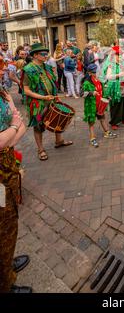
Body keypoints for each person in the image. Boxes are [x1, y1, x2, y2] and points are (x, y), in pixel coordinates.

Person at [0, 84, 32, 293]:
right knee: (3, 225)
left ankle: (6, 265)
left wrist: (13, 128)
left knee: (8, 221)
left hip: (7, 164)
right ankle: (5, 285)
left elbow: (19, 123)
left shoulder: (1, 92)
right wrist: (14, 127)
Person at [22, 43, 73, 161]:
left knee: (56, 118)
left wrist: (55, 96)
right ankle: (41, 150)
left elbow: (52, 83)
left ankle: (59, 141)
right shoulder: (28, 70)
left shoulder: (46, 67)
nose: (46, 56)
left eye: (47, 54)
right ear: (35, 55)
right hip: (37, 103)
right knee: (38, 126)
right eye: (43, 54)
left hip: (51, 99)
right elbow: (26, 90)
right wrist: (43, 97)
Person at [83, 64, 117, 147]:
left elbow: (102, 91)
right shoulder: (86, 82)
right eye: (95, 72)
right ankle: (92, 138)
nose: (97, 73)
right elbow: (82, 93)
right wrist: (91, 93)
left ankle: (106, 132)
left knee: (102, 118)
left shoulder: (99, 80)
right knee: (91, 122)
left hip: (99, 104)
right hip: (91, 105)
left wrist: (106, 96)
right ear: (90, 73)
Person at [105, 46, 124, 130]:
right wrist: (119, 75)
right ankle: (114, 122)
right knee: (116, 105)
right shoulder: (111, 65)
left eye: (120, 55)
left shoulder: (123, 64)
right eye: (117, 55)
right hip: (116, 87)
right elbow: (108, 77)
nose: (119, 57)